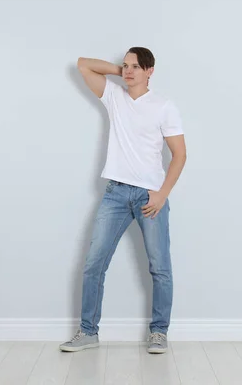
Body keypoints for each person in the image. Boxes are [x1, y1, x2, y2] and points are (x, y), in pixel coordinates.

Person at [60, 47, 187, 354]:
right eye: (126, 65)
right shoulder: (114, 97)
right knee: (93, 264)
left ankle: (159, 332)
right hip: (115, 194)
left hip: (149, 196)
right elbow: (83, 65)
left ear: (150, 70)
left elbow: (180, 155)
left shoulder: (163, 106)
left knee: (160, 267)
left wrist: (162, 194)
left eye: (136, 67)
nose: (129, 71)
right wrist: (121, 73)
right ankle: (88, 332)